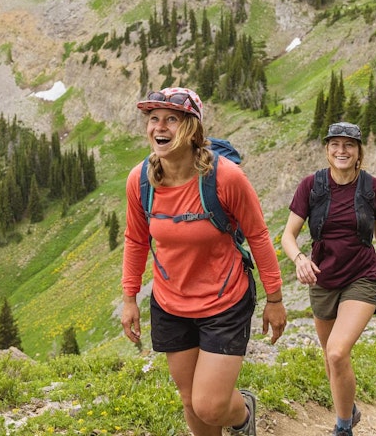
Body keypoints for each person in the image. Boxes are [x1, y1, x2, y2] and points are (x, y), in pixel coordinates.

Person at [121, 87, 286, 436]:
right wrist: (129, 297)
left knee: (209, 404)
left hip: (224, 302)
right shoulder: (140, 181)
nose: (159, 127)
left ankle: (242, 416)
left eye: (171, 119)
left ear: (192, 129)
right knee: (189, 400)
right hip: (170, 302)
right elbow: (136, 239)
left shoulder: (225, 178)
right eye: (153, 119)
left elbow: (257, 235)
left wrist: (275, 299)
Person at [280, 121, 376, 436]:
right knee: (331, 357)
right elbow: (288, 236)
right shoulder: (311, 185)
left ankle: (343, 427)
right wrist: (299, 258)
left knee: (337, 351)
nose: (341, 150)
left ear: (359, 151)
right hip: (322, 279)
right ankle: (349, 407)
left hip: (362, 276)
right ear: (327, 150)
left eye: (349, 145)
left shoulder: (371, 187)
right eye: (335, 144)